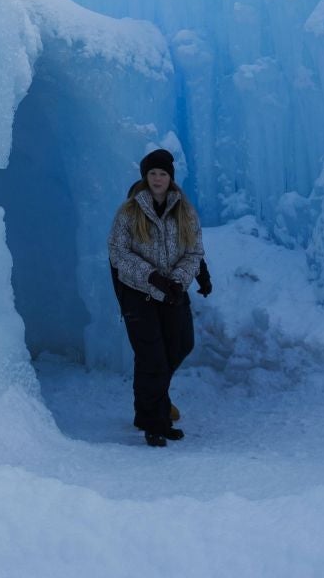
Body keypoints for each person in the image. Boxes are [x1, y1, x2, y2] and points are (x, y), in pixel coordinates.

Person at [108, 148, 205, 447]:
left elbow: (194, 252)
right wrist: (152, 277)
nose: (158, 178)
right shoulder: (129, 211)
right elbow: (118, 253)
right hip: (139, 295)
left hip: (173, 293)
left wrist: (177, 281)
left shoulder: (185, 211)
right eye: (153, 173)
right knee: (153, 360)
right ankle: (155, 422)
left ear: (170, 177)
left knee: (181, 345)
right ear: (145, 177)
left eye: (163, 173)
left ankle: (148, 408)